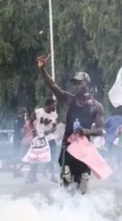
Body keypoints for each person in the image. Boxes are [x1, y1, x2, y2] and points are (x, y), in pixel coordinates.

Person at [38, 54, 104, 194]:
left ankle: (81, 211)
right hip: (68, 145)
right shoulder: (70, 99)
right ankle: (67, 210)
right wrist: (42, 69)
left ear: (87, 84)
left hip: (84, 147)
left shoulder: (97, 107)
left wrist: (86, 132)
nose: (75, 86)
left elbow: (99, 129)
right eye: (74, 83)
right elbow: (53, 86)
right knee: (67, 178)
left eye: (79, 83)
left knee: (83, 182)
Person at [27, 98, 58, 184]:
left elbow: (55, 126)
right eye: (54, 105)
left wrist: (50, 131)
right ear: (48, 105)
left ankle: (53, 175)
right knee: (36, 158)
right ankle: (33, 176)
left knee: (53, 157)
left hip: (50, 138)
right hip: (40, 138)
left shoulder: (54, 114)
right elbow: (30, 121)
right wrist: (33, 131)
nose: (55, 107)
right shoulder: (38, 112)